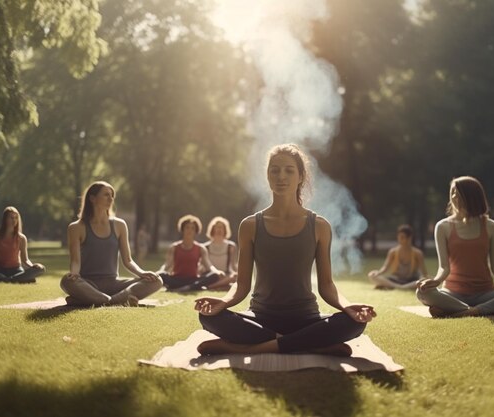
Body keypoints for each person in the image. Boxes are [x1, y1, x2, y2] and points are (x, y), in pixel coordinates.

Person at [195, 143, 376, 356]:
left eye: (289, 170)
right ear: (268, 176)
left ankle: (245, 348)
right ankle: (312, 345)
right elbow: (242, 285)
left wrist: (347, 307)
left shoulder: (319, 226)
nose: (281, 176)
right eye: (275, 170)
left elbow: (326, 285)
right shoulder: (250, 225)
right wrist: (223, 302)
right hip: (261, 318)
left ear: (300, 176)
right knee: (208, 316)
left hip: (305, 318)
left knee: (353, 323)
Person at [416, 176, 494, 318]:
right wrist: (436, 281)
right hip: (453, 293)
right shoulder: (443, 226)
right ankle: (491, 309)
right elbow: (444, 267)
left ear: (471, 197)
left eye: (458, 193)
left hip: (485, 293)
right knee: (422, 292)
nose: (453, 197)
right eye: (452, 192)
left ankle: (463, 310)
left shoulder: (491, 226)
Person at [60, 181, 163, 306]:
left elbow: (128, 260)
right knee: (66, 281)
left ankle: (93, 300)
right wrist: (74, 274)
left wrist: (141, 273)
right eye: (106, 195)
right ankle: (116, 301)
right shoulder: (76, 227)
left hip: (115, 284)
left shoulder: (119, 225)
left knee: (156, 280)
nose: (111, 198)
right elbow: (75, 261)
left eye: (112, 195)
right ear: (92, 198)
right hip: (88, 284)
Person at [0, 207, 45, 284]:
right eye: (11, 217)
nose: (14, 220)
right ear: (5, 219)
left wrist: (33, 266)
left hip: (16, 270)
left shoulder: (22, 238)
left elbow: (25, 259)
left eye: (16, 218)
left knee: (41, 269)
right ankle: (15, 280)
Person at [158, 215, 225, 292]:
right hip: (176, 279)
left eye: (192, 228)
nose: (190, 230)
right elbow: (167, 264)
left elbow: (209, 265)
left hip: (193, 280)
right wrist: (159, 272)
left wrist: (216, 271)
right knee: (162, 275)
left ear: (196, 231)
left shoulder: (201, 248)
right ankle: (191, 287)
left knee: (214, 275)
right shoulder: (174, 247)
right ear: (183, 229)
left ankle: (188, 287)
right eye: (187, 227)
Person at [367, 224, 427, 290]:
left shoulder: (418, 253)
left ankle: (391, 286)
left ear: (409, 238)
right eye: (399, 237)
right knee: (371, 275)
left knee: (423, 280)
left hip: (411, 280)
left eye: (402, 237)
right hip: (396, 279)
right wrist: (378, 273)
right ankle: (401, 287)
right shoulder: (393, 252)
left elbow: (424, 273)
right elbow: (385, 267)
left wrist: (425, 279)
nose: (399, 239)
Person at [201, 216, 238, 291]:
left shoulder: (231, 246)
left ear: (225, 230)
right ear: (212, 229)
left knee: (234, 277)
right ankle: (219, 286)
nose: (219, 229)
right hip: (210, 276)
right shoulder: (205, 247)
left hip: (225, 276)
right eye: (217, 227)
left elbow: (233, 265)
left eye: (221, 227)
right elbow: (201, 266)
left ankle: (210, 287)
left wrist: (236, 273)